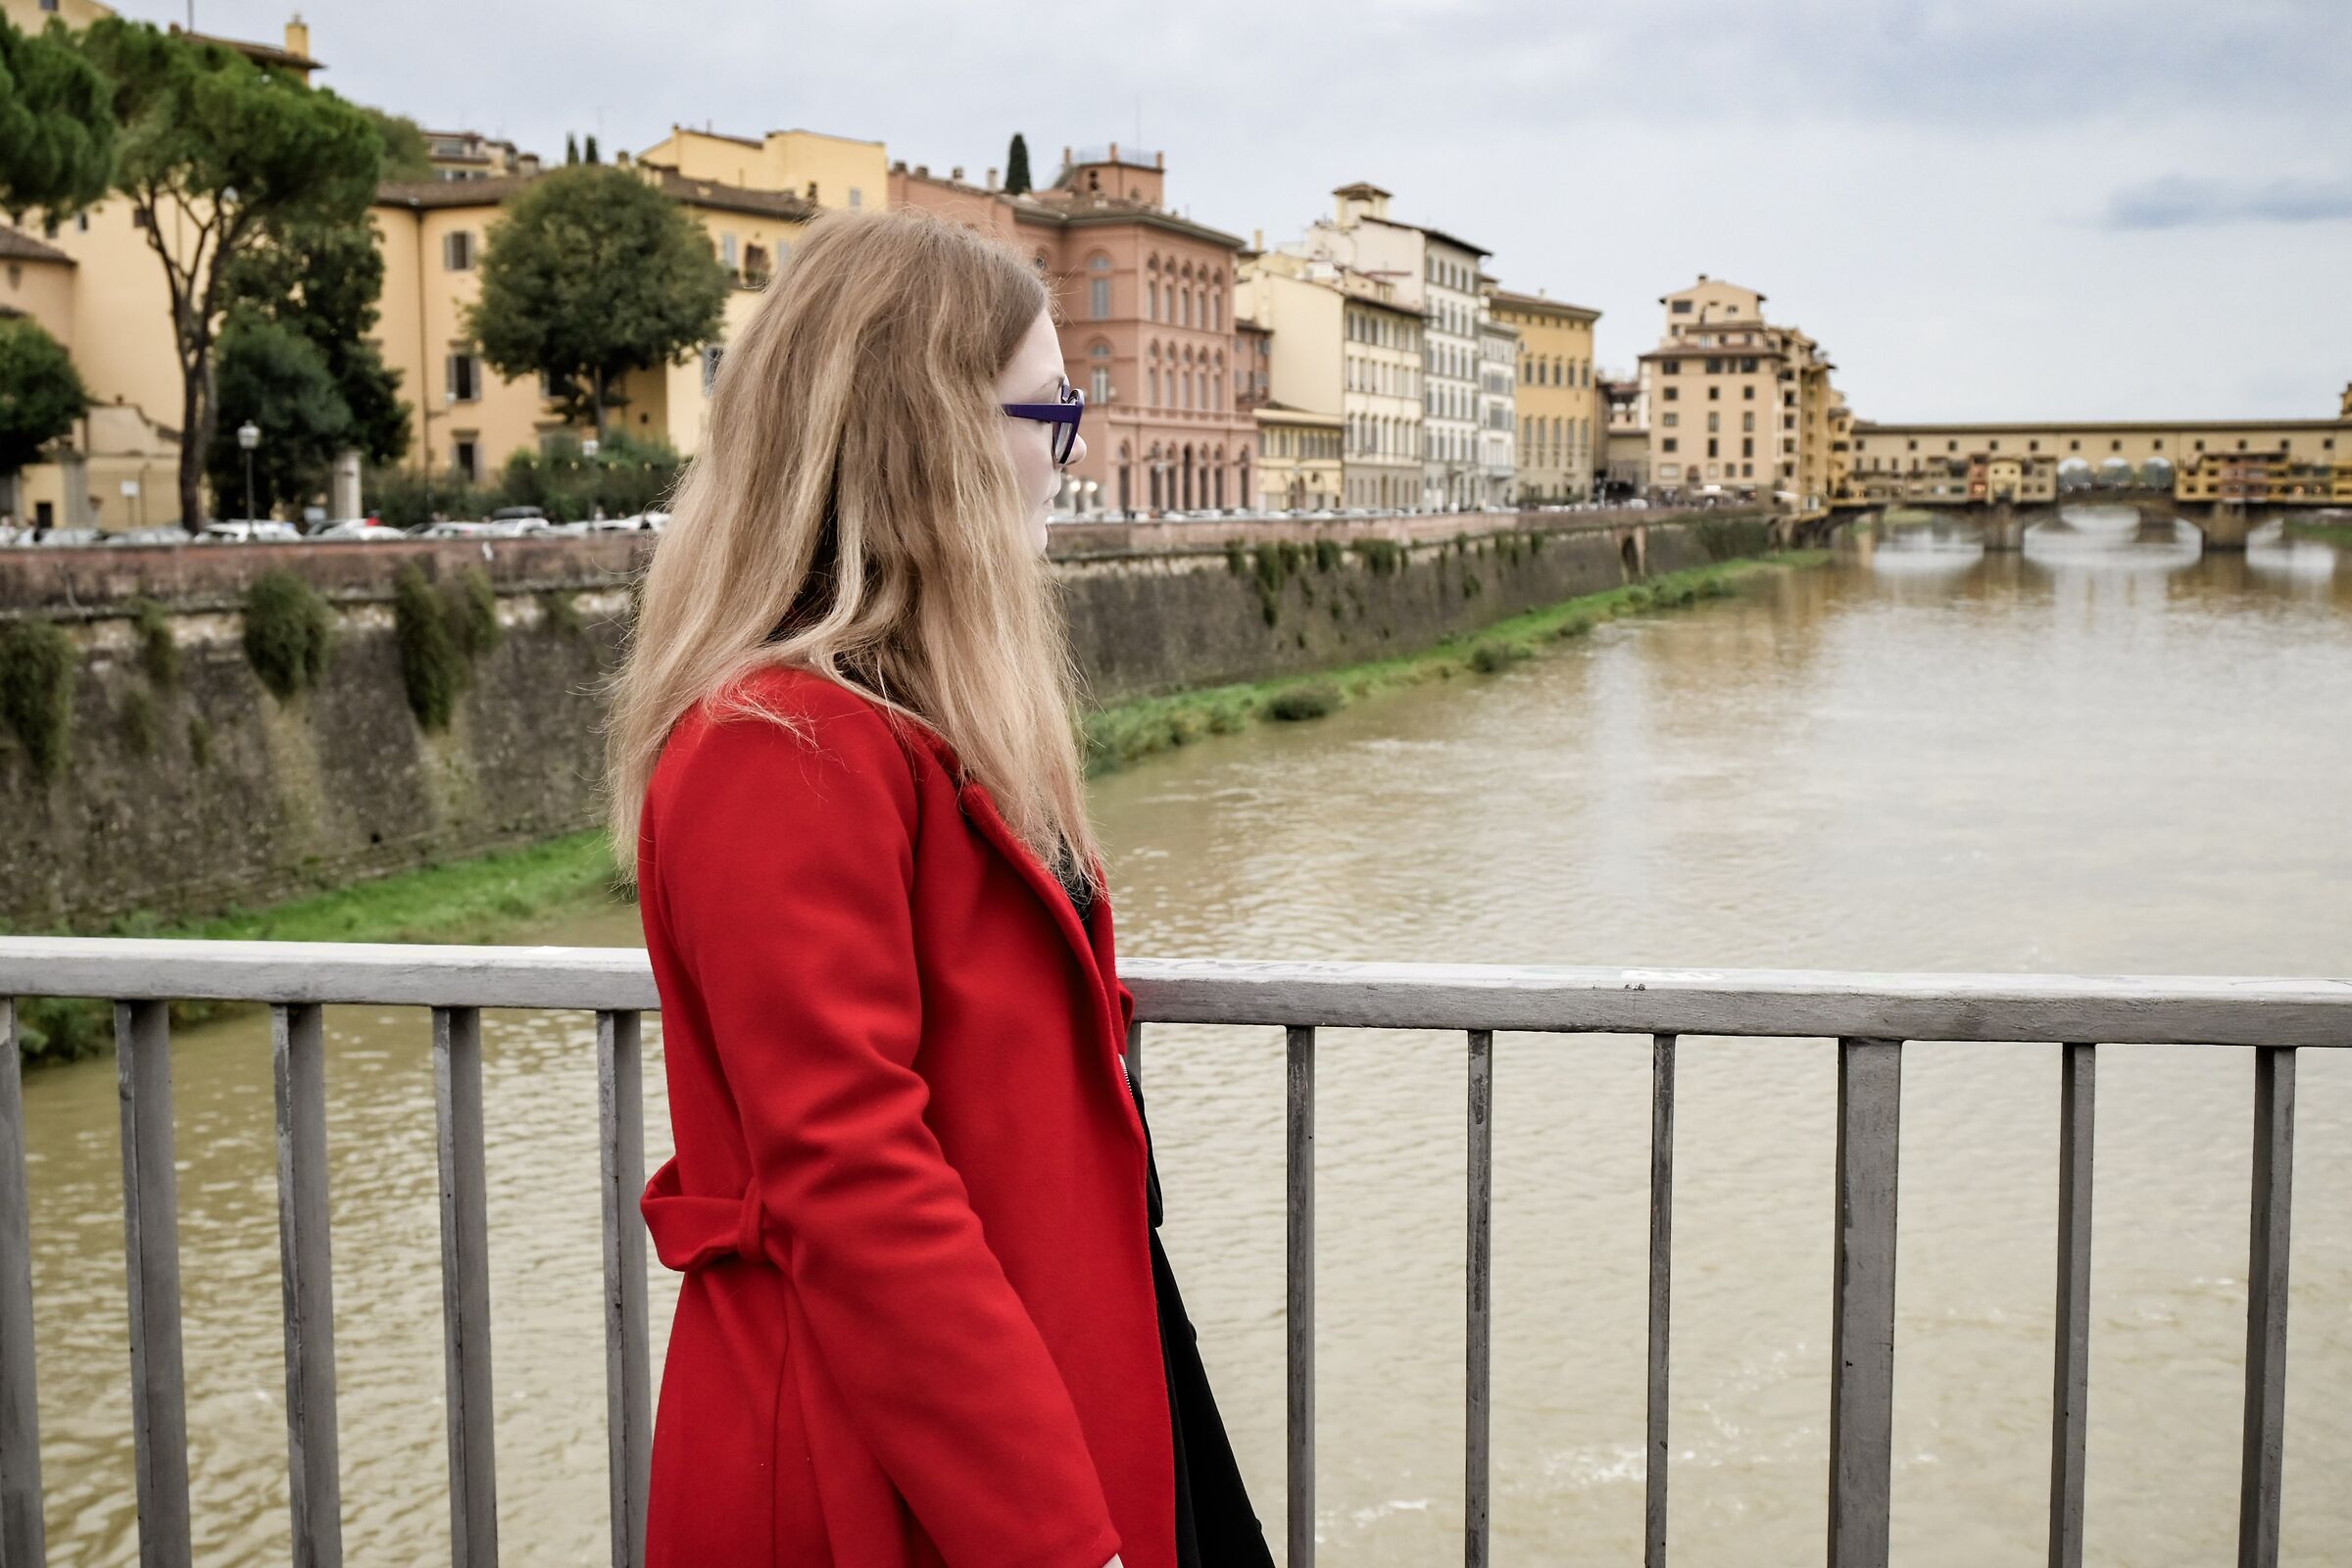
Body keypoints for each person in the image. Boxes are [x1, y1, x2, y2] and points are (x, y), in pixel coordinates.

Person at [605, 210, 1275, 1568]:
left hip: (1048, 1365)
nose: (1070, 459)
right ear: (934, 435)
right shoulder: (775, 748)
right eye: (1053, 414)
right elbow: (853, 1180)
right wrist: (1056, 1544)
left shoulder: (907, 717)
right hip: (890, 1462)